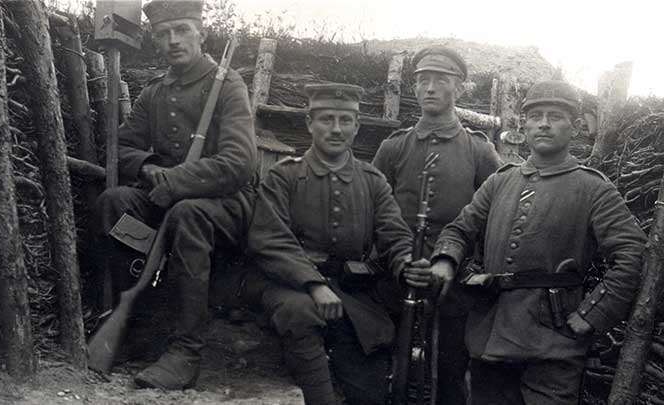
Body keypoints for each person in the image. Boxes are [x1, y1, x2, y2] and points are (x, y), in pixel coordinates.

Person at [424, 80, 646, 404]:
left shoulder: (593, 188)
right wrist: (445, 260)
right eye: (535, 115)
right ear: (524, 124)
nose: (543, 123)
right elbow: (460, 229)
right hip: (490, 337)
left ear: (575, 127)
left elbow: (633, 254)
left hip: (554, 343)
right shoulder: (500, 180)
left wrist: (592, 315)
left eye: (555, 116)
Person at [93, 0, 257, 390]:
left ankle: (186, 351)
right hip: (163, 196)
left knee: (188, 214)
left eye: (182, 30)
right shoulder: (154, 92)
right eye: (163, 34)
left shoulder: (227, 84)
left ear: (201, 33)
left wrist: (177, 182)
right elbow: (122, 147)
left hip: (225, 205)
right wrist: (151, 170)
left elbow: (240, 163)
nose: (173, 40)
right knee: (113, 204)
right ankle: (139, 324)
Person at [246, 83, 428, 405]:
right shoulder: (283, 176)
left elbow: (394, 234)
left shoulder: (373, 181)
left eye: (345, 121)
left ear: (356, 127)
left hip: (351, 291)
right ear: (309, 124)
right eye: (326, 119)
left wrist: (405, 264)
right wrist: (314, 284)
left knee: (369, 392)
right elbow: (270, 240)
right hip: (292, 287)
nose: (336, 129)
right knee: (299, 313)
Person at [372, 45, 502, 404]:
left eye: (440, 80)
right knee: (390, 371)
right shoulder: (393, 147)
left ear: (459, 88)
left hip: (453, 285)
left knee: (449, 376)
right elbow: (374, 210)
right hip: (396, 276)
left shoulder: (479, 150)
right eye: (422, 80)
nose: (429, 88)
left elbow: (495, 214)